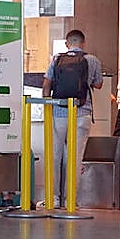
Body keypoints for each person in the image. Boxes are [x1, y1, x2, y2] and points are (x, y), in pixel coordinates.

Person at [41, 29, 103, 207]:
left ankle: (53, 198)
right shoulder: (92, 60)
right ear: (83, 43)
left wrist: (48, 106)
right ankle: (71, 200)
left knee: (55, 154)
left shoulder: (56, 59)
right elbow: (98, 84)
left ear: (67, 44)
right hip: (82, 112)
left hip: (58, 111)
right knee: (75, 157)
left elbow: (47, 85)